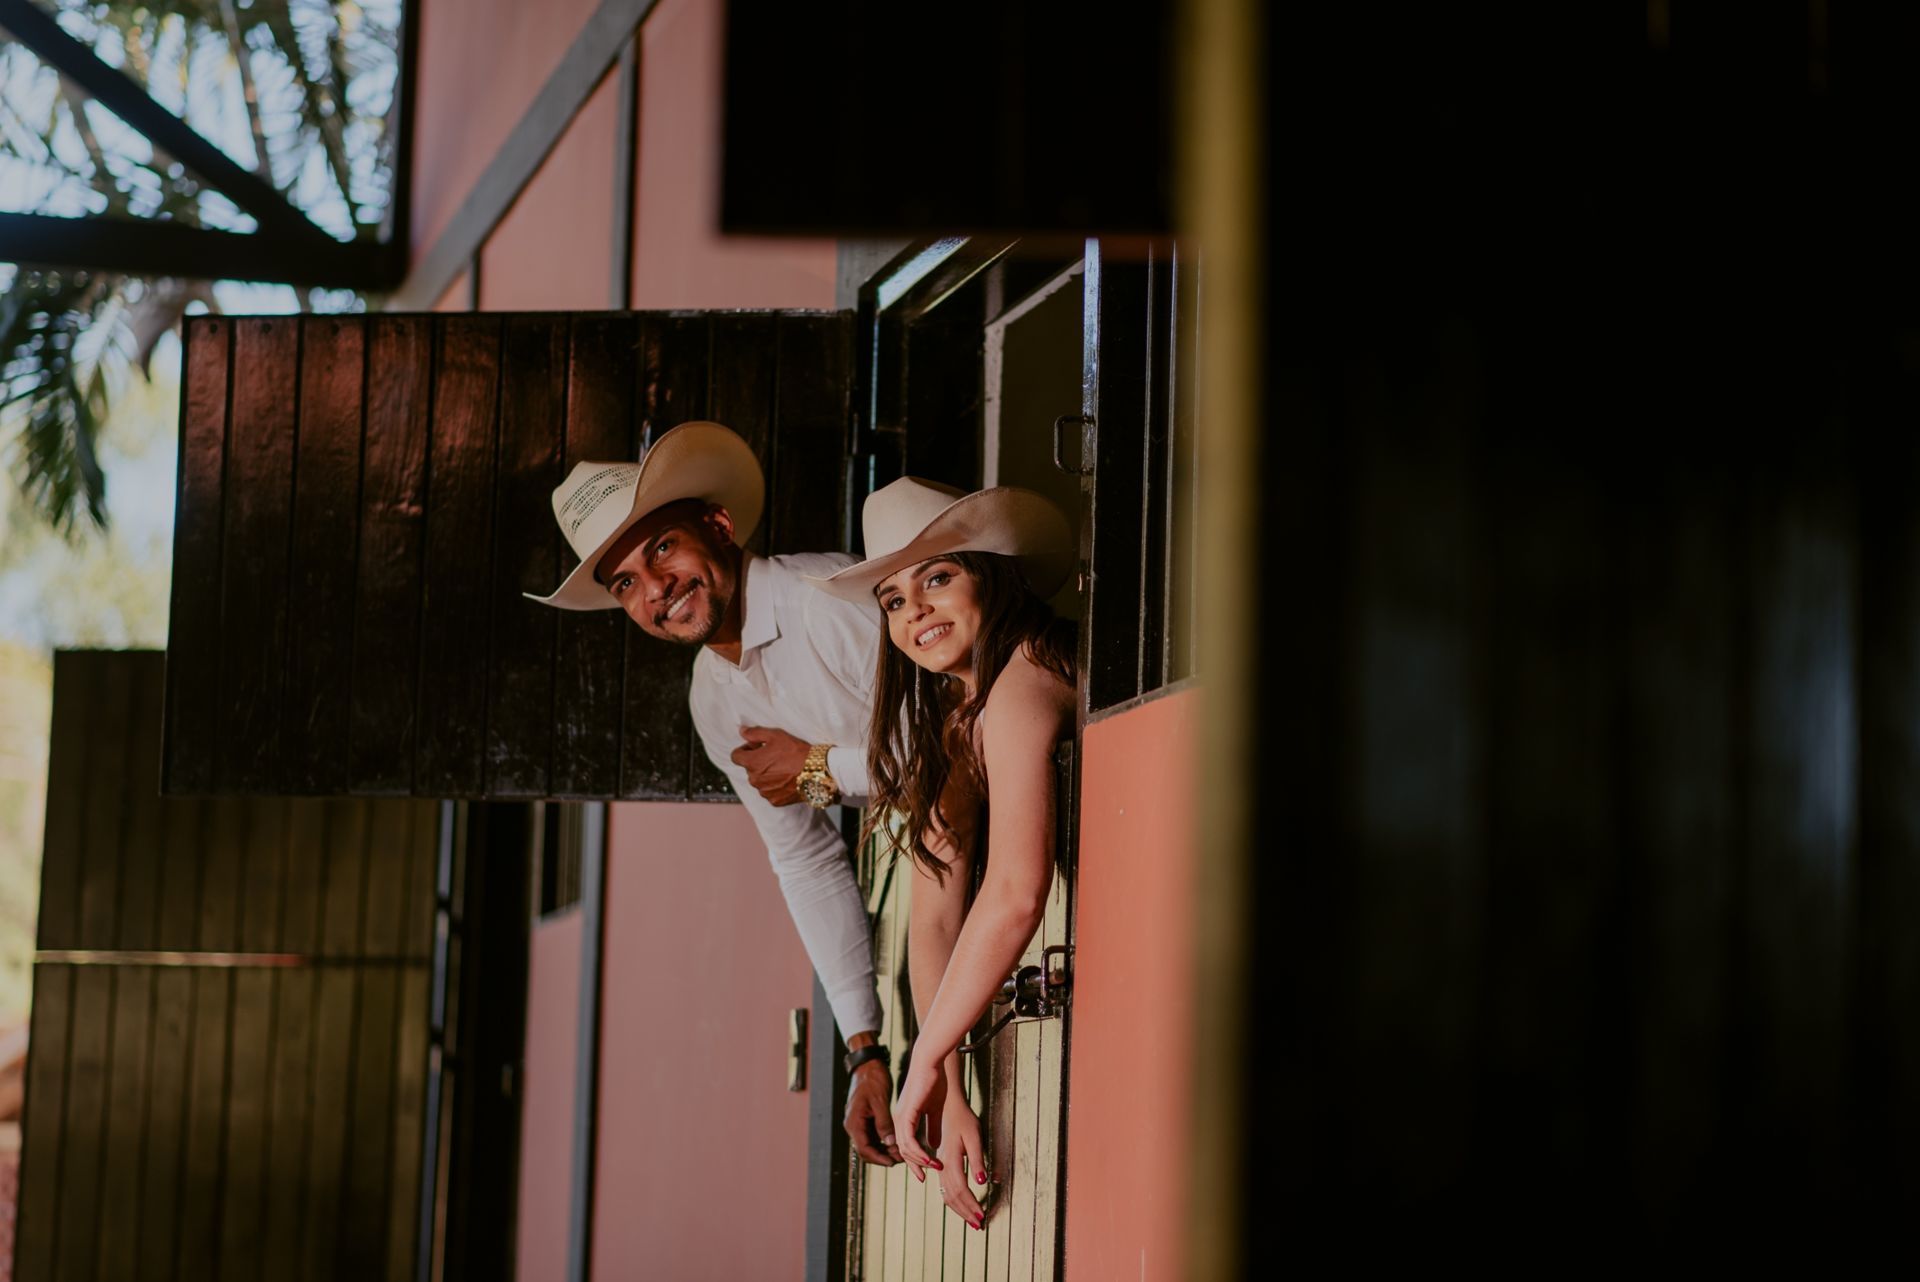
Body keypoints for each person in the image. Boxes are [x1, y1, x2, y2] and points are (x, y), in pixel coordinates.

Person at [527, 421, 900, 1165]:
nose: (655, 590)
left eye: (662, 547)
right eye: (625, 582)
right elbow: (805, 862)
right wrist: (864, 1047)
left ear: (719, 526)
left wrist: (818, 769)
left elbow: (958, 749)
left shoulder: (828, 603)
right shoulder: (713, 701)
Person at [807, 476, 1076, 1229]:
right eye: (893, 598)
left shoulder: (1024, 675)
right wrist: (951, 1086)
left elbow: (1019, 889)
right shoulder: (958, 725)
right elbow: (933, 921)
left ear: (989, 573)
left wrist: (924, 1059)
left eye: (937, 577)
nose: (915, 608)